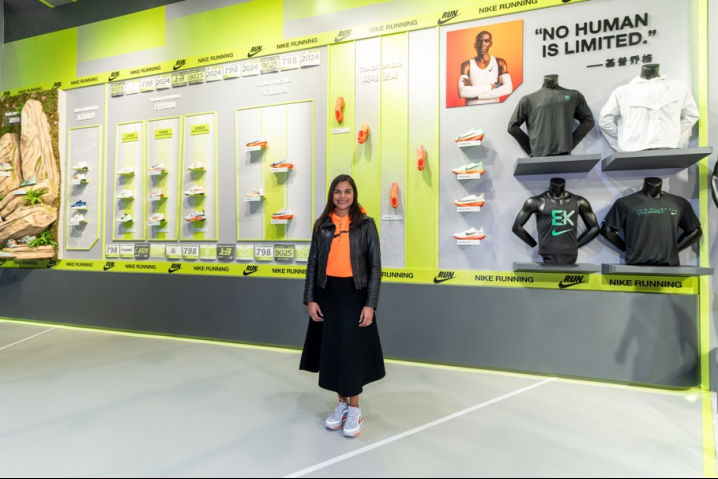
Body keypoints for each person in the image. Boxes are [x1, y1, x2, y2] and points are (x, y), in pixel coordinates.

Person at [300, 174, 384, 437]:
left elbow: (375, 267)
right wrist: (311, 298)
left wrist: (370, 304)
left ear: (354, 194)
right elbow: (313, 264)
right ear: (331, 195)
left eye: (347, 191)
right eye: (337, 191)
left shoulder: (366, 224)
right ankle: (341, 404)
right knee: (334, 352)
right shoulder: (321, 225)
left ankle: (355, 408)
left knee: (351, 353)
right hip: (328, 295)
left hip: (355, 296)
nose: (342, 196)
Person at [600, 177, 702, 266]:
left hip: (669, 265)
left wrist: (674, 250)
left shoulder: (679, 203)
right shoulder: (625, 202)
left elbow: (696, 231)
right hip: (636, 264)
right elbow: (606, 230)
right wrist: (627, 248)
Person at [512, 177, 599, 265]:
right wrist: (533, 243)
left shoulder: (579, 201)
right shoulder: (536, 201)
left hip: (571, 254)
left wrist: (576, 245)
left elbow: (594, 228)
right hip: (547, 253)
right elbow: (516, 227)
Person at [507, 74, 594, 157]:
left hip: (545, 154)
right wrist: (530, 149)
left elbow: (588, 121)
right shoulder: (528, 100)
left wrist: (571, 143)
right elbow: (512, 127)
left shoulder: (573, 96)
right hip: (554, 153)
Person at [458, 30, 513, 105]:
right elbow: (463, 92)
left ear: (490, 43)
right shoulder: (467, 65)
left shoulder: (499, 63)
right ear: (475, 45)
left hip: (493, 108)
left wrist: (476, 96)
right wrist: (492, 86)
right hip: (472, 109)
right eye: (479, 41)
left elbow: (508, 88)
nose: (482, 44)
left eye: (486, 41)